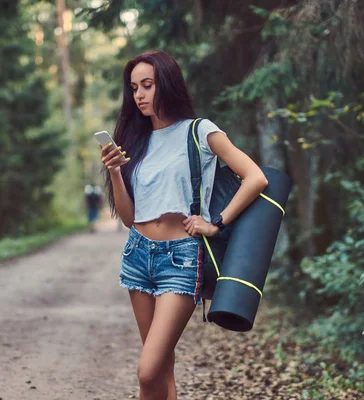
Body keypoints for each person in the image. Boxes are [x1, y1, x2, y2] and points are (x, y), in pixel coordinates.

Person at [99, 50, 268, 400]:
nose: (140, 95)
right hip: (137, 256)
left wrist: (216, 223)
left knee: (147, 372)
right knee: (161, 368)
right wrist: (115, 171)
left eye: (147, 85)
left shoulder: (199, 131)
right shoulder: (137, 140)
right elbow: (131, 218)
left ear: (168, 84)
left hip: (181, 260)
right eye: (133, 88)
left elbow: (256, 178)